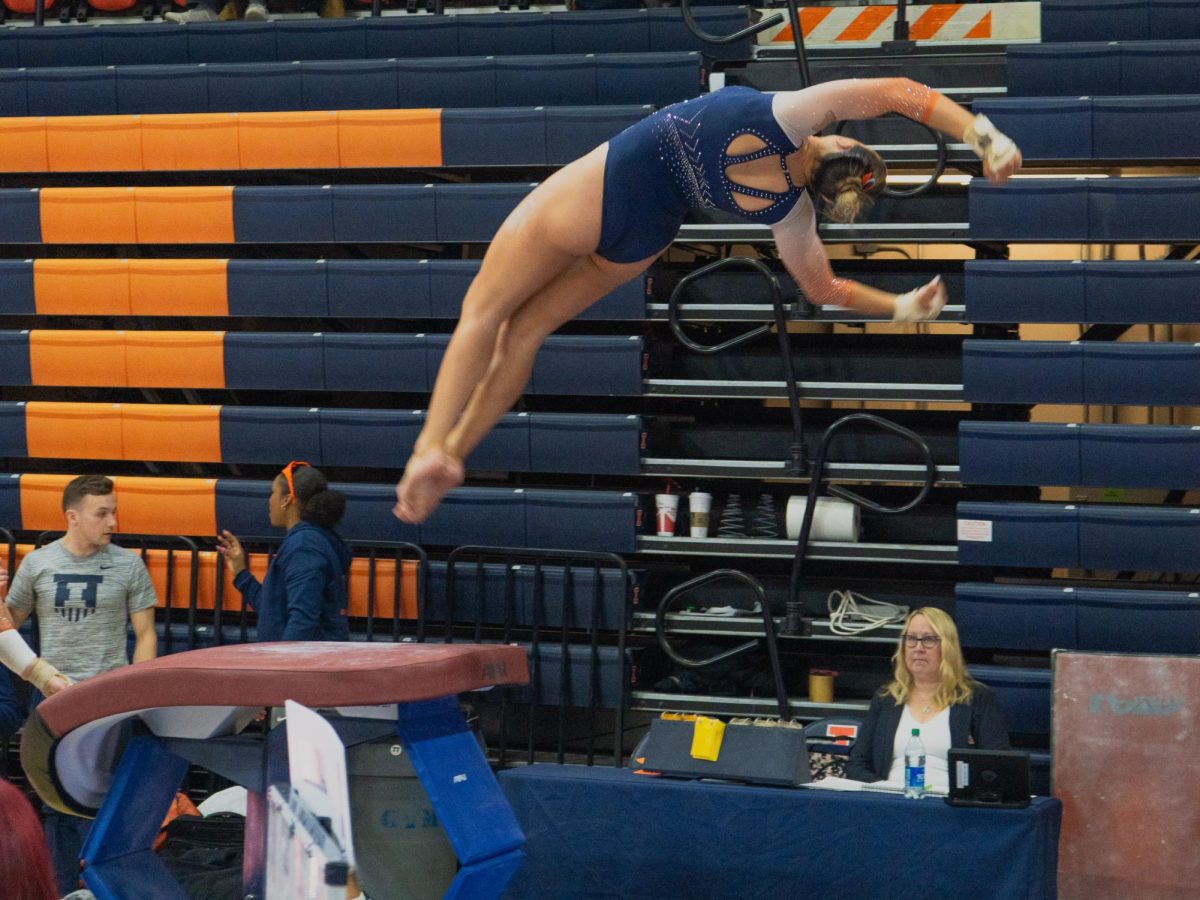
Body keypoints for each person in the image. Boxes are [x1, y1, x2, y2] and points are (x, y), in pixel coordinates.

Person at [393, 78, 1022, 524]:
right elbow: (822, 290)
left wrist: (982, 134)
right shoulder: (789, 211)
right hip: (645, 235)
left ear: (839, 145)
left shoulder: (790, 116)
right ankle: (458, 450)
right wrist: (905, 308)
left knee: (485, 311)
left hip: (608, 185)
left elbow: (894, 93)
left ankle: (431, 448)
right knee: (527, 333)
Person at [4, 474, 159, 895]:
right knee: (56, 804)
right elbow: (8, 626)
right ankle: (56, 888)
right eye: (102, 513)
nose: (113, 521)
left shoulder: (128, 564)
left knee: (110, 802)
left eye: (114, 511)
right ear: (72, 516)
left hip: (110, 698)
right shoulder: (38, 564)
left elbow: (145, 634)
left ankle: (107, 887)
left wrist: (139, 690)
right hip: (53, 698)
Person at [846, 607, 1010, 789]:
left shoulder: (977, 698)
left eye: (929, 640)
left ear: (948, 647)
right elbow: (857, 764)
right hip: (891, 801)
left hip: (952, 807)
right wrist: (882, 789)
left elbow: (998, 767)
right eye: (911, 639)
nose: (918, 648)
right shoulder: (886, 698)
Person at [216, 461, 352, 642]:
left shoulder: (304, 546)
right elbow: (273, 610)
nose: (269, 500)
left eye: (273, 493)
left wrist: (284, 666)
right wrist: (241, 572)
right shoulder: (309, 541)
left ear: (287, 500)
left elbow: (303, 619)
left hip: (305, 665)